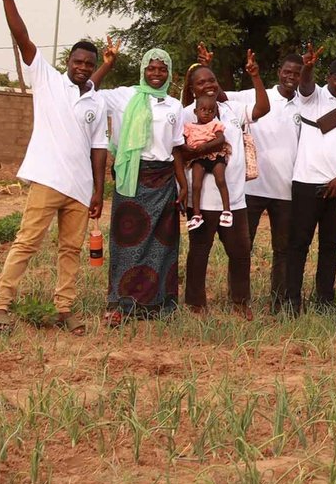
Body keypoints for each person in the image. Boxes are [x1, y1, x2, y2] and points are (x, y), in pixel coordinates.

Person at [0, 0, 108, 335]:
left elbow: (99, 148)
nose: (83, 67)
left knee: (70, 252)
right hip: (47, 181)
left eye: (89, 63)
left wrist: (98, 190)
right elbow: (23, 38)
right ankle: (0, 306)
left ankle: (65, 310)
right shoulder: (47, 80)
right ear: (67, 62)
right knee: (26, 243)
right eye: (77, 62)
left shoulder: (96, 102)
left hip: (79, 188)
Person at [91, 41, 184, 325]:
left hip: (164, 178)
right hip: (132, 176)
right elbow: (89, 89)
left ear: (169, 73)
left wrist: (185, 186)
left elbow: (177, 147)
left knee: (162, 243)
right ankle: (119, 303)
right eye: (151, 68)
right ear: (143, 70)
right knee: (127, 240)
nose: (156, 73)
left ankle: (155, 304)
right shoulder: (124, 96)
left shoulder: (175, 105)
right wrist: (107, 63)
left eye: (162, 68)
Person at [227, 46, 317, 310]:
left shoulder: (307, 102)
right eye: (287, 72)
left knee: (284, 251)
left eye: (297, 73)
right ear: (279, 73)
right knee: (243, 247)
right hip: (252, 186)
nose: (291, 77)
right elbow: (220, 96)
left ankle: (279, 301)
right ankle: (238, 298)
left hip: (287, 189)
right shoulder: (257, 95)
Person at [179, 63, 266, 316]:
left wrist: (255, 76)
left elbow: (262, 108)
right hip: (201, 201)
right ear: (192, 89)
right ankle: (196, 304)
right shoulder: (185, 114)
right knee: (199, 253)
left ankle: (240, 302)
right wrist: (205, 149)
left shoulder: (232, 110)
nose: (208, 85)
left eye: (212, 80)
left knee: (240, 254)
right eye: (201, 82)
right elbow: (180, 150)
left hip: (234, 200)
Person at [286, 57, 336, 312]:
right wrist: (307, 66)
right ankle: (291, 302)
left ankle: (324, 301)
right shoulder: (314, 97)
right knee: (299, 244)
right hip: (306, 183)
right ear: (329, 77)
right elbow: (306, 82)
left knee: (330, 247)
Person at [182, 96, 231, 231]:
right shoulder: (189, 127)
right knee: (196, 184)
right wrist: (188, 148)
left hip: (216, 156)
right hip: (198, 159)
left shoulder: (215, 125)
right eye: (203, 109)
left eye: (210, 110)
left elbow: (221, 139)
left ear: (215, 113)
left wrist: (204, 147)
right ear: (195, 111)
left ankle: (227, 210)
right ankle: (197, 215)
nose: (206, 113)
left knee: (220, 179)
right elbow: (183, 143)